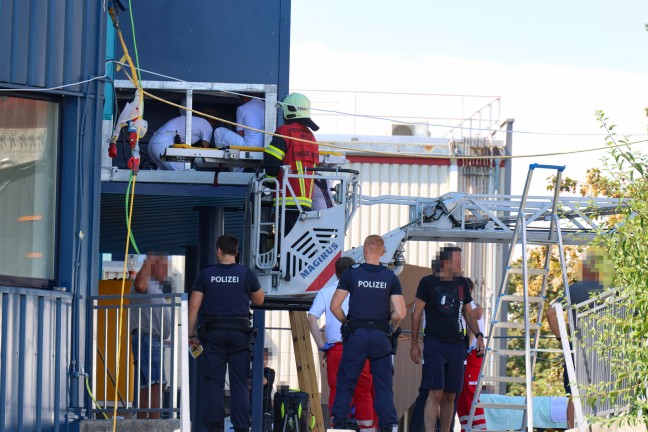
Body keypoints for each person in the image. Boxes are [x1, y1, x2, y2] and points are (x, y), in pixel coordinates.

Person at [188, 234, 265, 432]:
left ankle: (214, 427)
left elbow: (193, 307)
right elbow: (259, 300)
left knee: (214, 382)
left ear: (219, 250)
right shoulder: (246, 273)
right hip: (240, 335)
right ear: (237, 253)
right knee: (239, 383)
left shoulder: (206, 274)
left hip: (213, 335)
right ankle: (240, 427)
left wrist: (191, 335)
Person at [330, 235, 406, 432]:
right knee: (383, 386)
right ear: (383, 253)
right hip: (381, 337)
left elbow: (335, 306)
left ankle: (339, 424)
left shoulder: (351, 273)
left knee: (346, 381)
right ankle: (389, 426)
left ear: (364, 250)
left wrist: (347, 322)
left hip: (357, 335)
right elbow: (400, 312)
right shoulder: (390, 277)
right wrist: (390, 324)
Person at [410, 246, 485, 432]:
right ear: (445, 261)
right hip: (435, 343)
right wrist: (414, 344)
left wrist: (479, 336)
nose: (460, 265)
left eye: (461, 261)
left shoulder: (462, 284)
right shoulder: (427, 282)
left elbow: (468, 313)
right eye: (457, 261)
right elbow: (416, 314)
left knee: (451, 393)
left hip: (457, 344)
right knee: (435, 391)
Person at [308, 257, 377, 432]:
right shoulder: (365, 290)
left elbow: (311, 318)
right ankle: (367, 428)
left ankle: (337, 427)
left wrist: (321, 344)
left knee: (337, 390)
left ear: (336, 273)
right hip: (361, 347)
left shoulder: (326, 292)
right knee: (363, 391)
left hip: (336, 349)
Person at [546, 248, 607, 429]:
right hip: (603, 347)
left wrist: (561, 339)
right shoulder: (608, 289)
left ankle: (572, 429)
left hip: (576, 347)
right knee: (604, 390)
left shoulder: (573, 290)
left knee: (574, 394)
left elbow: (550, 312)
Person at [263, 93, 320, 235]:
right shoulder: (311, 137)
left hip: (287, 200)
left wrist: (268, 182)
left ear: (290, 111)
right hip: (306, 203)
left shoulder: (285, 131)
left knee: (285, 247)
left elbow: (272, 161)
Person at [129, 251, 172, 419]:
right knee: (157, 383)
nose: (166, 272)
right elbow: (139, 286)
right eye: (164, 266)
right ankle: (155, 425)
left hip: (150, 340)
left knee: (146, 385)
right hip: (147, 339)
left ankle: (142, 424)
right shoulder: (144, 281)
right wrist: (148, 262)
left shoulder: (155, 286)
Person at [456, 278, 487, 431]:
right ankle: (466, 427)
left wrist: (465, 351)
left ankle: (479, 429)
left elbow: (471, 330)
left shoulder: (471, 309)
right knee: (462, 395)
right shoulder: (471, 308)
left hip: (472, 355)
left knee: (470, 393)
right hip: (468, 355)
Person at [148, 99, 213, 170]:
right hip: (164, 143)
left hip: (154, 141)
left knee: (165, 172)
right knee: (183, 170)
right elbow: (204, 148)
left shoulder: (194, 120)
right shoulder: (207, 126)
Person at [262, 348, 275, 432]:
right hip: (251, 404)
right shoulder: (252, 371)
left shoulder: (270, 371)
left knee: (266, 428)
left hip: (266, 406)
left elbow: (263, 381)